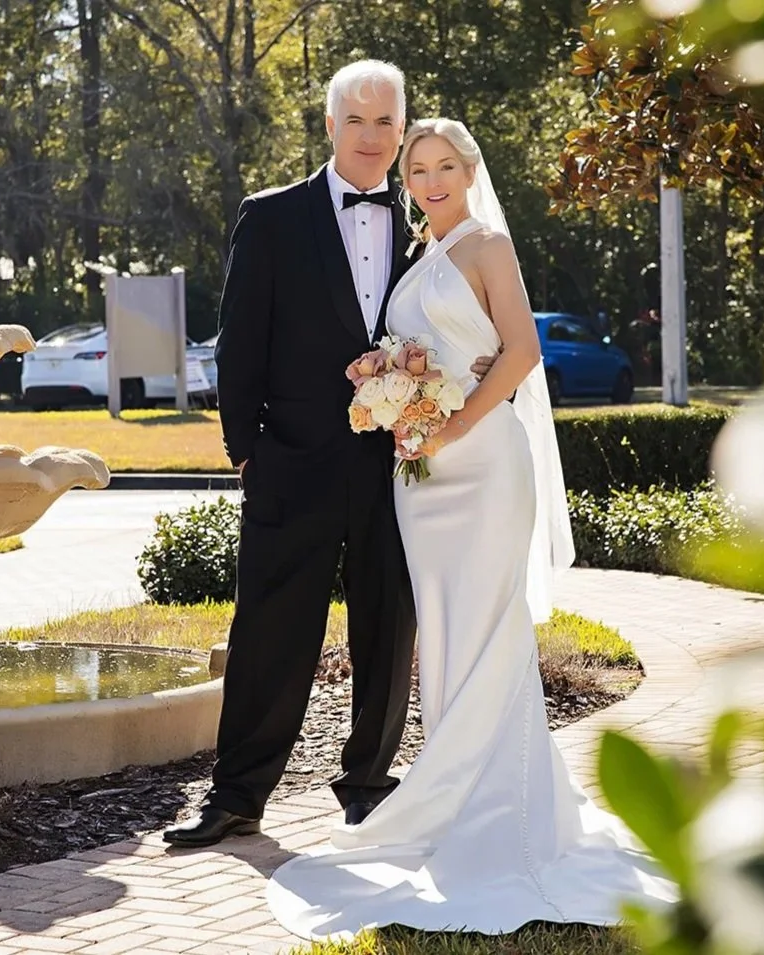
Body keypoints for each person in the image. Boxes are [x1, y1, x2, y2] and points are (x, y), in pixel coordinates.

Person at [264, 118, 680, 938]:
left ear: (469, 169)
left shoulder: (487, 244)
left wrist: (452, 425)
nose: (427, 180)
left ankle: (501, 815)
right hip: (423, 476)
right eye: (416, 169)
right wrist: (393, 390)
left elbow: (520, 352)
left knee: (489, 630)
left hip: (483, 462)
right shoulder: (419, 253)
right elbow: (425, 350)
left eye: (442, 166)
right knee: (448, 636)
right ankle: (457, 797)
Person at [162, 62, 498, 849]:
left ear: (403, 128)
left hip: (399, 465)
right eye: (357, 120)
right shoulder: (271, 216)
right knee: (270, 631)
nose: (373, 137)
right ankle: (238, 795)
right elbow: (238, 340)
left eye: (388, 122)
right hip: (292, 462)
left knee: (389, 628)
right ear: (329, 126)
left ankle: (369, 789)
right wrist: (245, 449)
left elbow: (468, 332)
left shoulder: (433, 226)